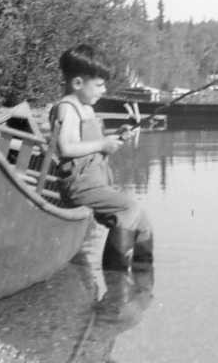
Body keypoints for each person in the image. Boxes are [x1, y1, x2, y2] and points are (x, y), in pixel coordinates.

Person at [51, 44, 153, 271]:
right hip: (80, 187)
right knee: (129, 210)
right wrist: (102, 144)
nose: (103, 90)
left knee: (143, 221)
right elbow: (65, 147)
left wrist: (114, 138)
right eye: (99, 85)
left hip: (96, 184)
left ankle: (143, 277)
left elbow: (90, 146)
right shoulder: (67, 107)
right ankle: (115, 278)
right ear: (77, 83)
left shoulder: (86, 109)